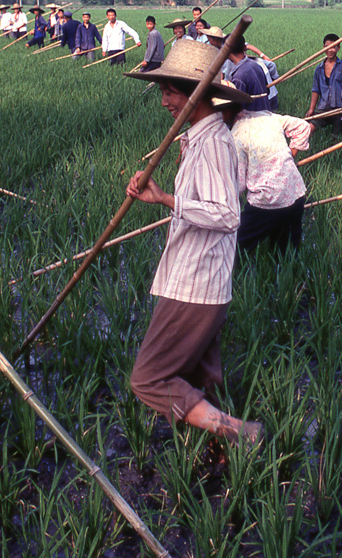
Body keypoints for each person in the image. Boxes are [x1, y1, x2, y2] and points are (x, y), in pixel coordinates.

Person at [122, 39, 263, 445]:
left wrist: (167, 199)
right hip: (202, 282)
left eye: (170, 91)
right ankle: (217, 456)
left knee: (149, 378)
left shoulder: (215, 142)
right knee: (204, 377)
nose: (164, 100)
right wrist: (160, 196)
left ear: (195, 94)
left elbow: (227, 214)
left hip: (195, 285)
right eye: (163, 91)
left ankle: (238, 433)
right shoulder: (198, 138)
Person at [222, 102, 312, 254]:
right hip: (296, 193)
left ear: (227, 112)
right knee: (286, 256)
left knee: (233, 248)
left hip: (267, 201)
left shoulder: (236, 134)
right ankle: (288, 275)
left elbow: (239, 184)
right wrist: (288, 157)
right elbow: (304, 126)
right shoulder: (268, 116)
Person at [304, 33, 342, 134]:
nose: (330, 50)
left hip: (339, 109)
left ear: (338, 48)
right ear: (323, 47)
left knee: (337, 136)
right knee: (309, 129)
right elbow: (315, 90)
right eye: (327, 47)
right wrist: (312, 109)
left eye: (333, 47)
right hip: (323, 108)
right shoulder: (319, 69)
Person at [226, 35, 270, 112]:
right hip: (265, 112)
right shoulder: (255, 64)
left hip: (252, 118)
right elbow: (267, 90)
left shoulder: (239, 76)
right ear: (244, 48)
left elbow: (237, 107)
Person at [246, 43, 280, 111]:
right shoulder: (258, 61)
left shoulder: (243, 68)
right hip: (273, 95)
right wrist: (273, 82)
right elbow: (272, 65)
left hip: (262, 101)